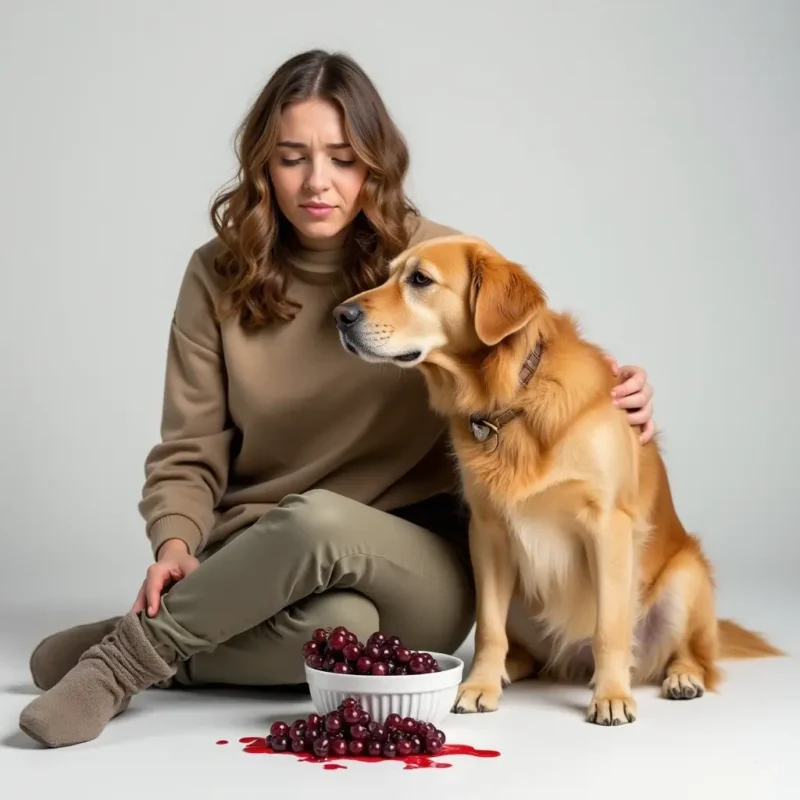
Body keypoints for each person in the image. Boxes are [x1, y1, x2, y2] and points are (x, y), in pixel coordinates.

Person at [19, 49, 655, 748]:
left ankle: (121, 660)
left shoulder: (431, 262)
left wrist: (614, 395)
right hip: (261, 555)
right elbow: (189, 445)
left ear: (374, 165)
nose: (318, 182)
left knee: (323, 522)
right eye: (293, 158)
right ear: (264, 164)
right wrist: (175, 540)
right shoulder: (214, 276)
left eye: (343, 158)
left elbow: (527, 361)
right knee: (344, 628)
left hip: (422, 564)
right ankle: (169, 640)